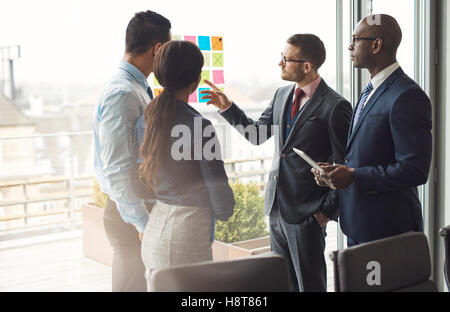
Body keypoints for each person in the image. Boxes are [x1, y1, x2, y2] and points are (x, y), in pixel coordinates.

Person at [201, 34, 352, 292]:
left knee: (310, 286)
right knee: (282, 284)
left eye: (286, 58)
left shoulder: (335, 106)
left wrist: (325, 212)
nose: (279, 63)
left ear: (307, 65)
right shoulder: (282, 95)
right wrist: (227, 107)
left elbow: (345, 165)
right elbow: (257, 134)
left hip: (308, 214)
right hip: (276, 210)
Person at [312, 14, 432, 247]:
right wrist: (338, 173)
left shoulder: (407, 96)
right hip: (358, 222)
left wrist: (354, 175)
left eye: (356, 39)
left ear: (376, 45)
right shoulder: (371, 89)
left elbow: (415, 170)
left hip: (387, 229)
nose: (350, 45)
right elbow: (365, 152)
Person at [138, 40, 235, 290]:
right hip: (184, 239)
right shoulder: (199, 126)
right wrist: (224, 209)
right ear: (196, 80)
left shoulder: (152, 114)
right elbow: (222, 200)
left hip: (155, 231)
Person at [93, 10, 171, 292]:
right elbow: (115, 169)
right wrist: (143, 223)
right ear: (158, 48)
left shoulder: (137, 88)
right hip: (130, 216)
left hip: (139, 210)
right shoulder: (122, 93)